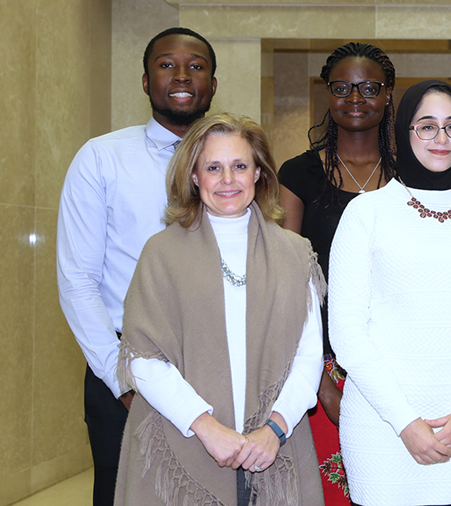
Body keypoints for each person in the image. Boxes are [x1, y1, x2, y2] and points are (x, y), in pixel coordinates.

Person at [329, 80, 451, 506]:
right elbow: (346, 331)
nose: (442, 138)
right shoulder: (365, 213)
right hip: (384, 429)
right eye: (427, 126)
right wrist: (405, 422)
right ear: (402, 131)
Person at [114, 113, 325, 505]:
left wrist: (274, 430)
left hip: (274, 448)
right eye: (214, 167)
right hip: (180, 440)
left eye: (240, 166)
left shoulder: (296, 254)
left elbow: (308, 357)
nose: (228, 180)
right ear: (194, 176)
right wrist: (206, 427)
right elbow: (143, 358)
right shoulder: (161, 254)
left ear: (259, 174)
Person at [56, 27, 217, 506]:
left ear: (213, 82)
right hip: (126, 363)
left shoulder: (233, 160)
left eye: (196, 65)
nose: (182, 75)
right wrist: (120, 378)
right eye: (167, 64)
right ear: (146, 82)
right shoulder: (102, 158)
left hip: (215, 364)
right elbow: (77, 280)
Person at [278, 41, 396, 504]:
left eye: (369, 87)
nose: (355, 97)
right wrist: (320, 383)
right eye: (342, 87)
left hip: (398, 362)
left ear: (388, 95)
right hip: (320, 360)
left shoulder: (413, 172)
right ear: (328, 94)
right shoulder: (298, 174)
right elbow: (287, 284)